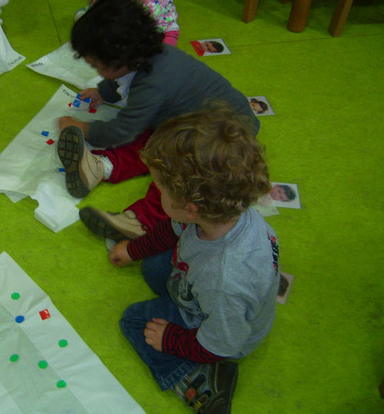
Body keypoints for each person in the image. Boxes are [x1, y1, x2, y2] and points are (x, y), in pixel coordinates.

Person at [111, 108, 280, 414]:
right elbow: (172, 228)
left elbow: (222, 343)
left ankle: (196, 379)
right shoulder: (221, 210)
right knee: (153, 266)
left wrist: (173, 339)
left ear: (189, 208)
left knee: (134, 320)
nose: (155, 192)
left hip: (222, 335)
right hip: (215, 293)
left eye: (159, 188)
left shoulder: (225, 279)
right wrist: (133, 251)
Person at [57, 0, 258, 240]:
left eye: (98, 66)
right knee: (149, 138)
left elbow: (122, 130)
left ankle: (141, 220)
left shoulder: (153, 83)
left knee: (177, 175)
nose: (96, 71)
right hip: (187, 121)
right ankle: (100, 168)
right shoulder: (144, 55)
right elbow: (120, 79)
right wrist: (102, 92)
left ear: (123, 59)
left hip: (225, 135)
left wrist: (84, 128)